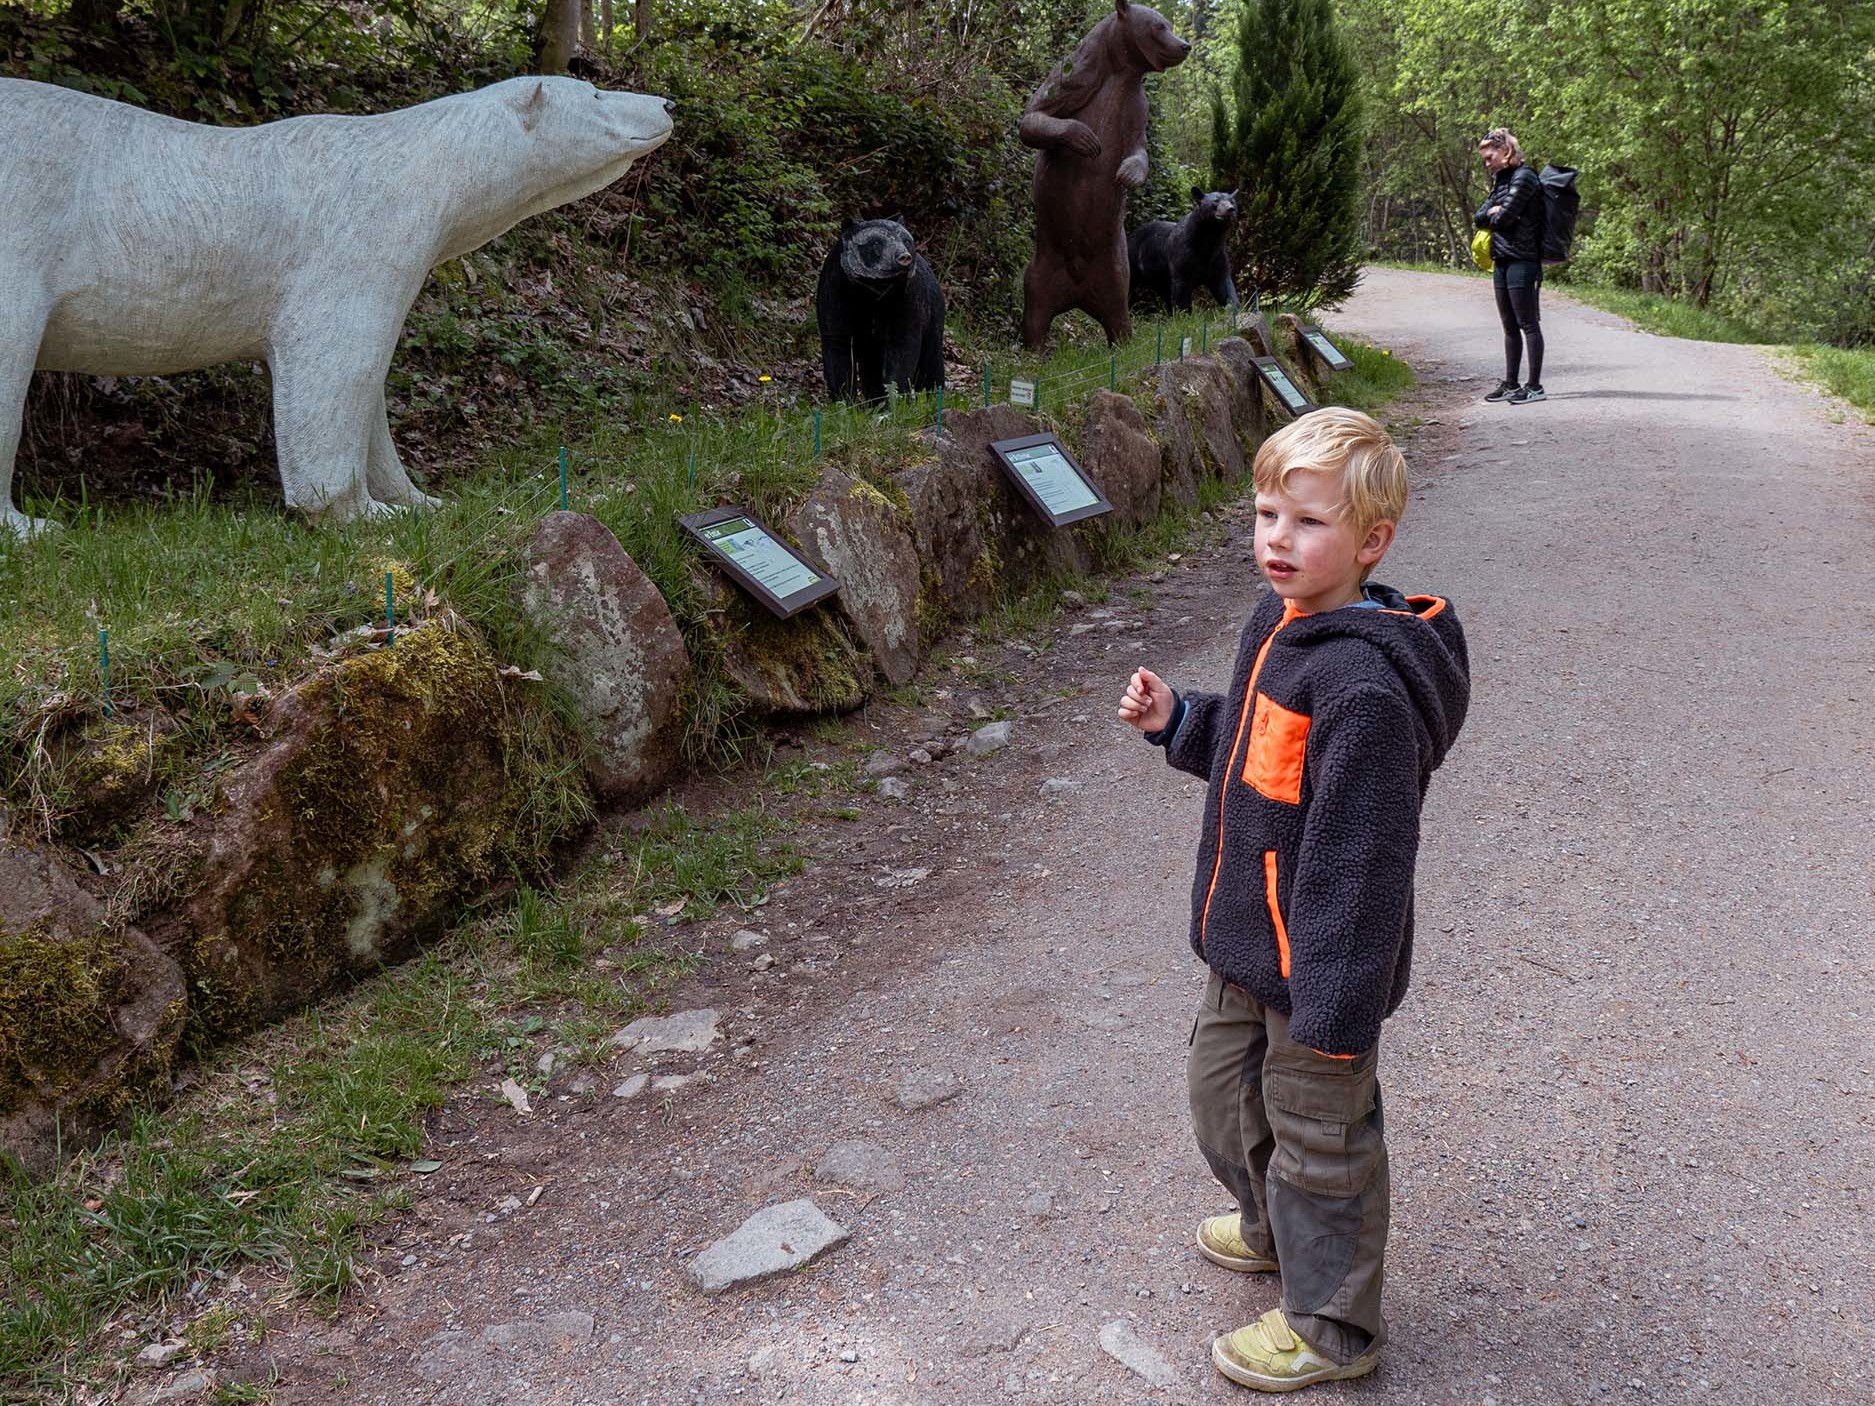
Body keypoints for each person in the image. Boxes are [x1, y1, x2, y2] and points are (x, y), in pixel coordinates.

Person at [1117, 408, 1470, 1392]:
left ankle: (1332, 1326)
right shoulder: (1275, 625)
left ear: (1371, 541)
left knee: (1320, 1141)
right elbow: (1256, 758)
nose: (1277, 538)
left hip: (1321, 972)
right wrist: (1179, 720)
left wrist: (1335, 1012)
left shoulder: (1362, 691)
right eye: (1266, 513)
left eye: (1308, 522)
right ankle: (1274, 1229)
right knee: (1222, 1100)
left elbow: (1362, 864)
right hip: (1244, 940)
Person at [1474, 127, 1546, 404]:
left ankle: (1535, 386)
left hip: (1523, 259)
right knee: (1508, 325)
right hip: (1502, 258)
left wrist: (1498, 213)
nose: (1487, 163)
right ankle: (1511, 383)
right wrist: (1496, 212)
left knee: (1528, 323)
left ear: (1505, 151)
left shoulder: (1525, 177)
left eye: (1489, 157)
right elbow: (1479, 217)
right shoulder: (1502, 180)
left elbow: (1503, 218)